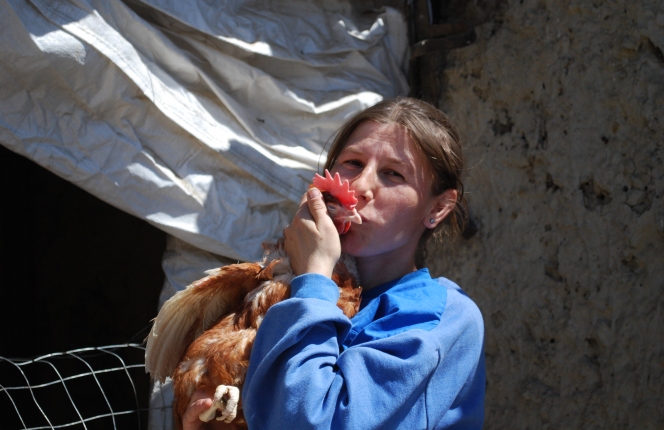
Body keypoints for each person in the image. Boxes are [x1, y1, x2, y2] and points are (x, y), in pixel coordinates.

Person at [183, 97, 485, 429]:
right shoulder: (281, 294)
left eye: (393, 174)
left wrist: (314, 277)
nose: (360, 185)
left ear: (438, 208)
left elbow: (312, 421)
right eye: (353, 163)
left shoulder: (440, 319)